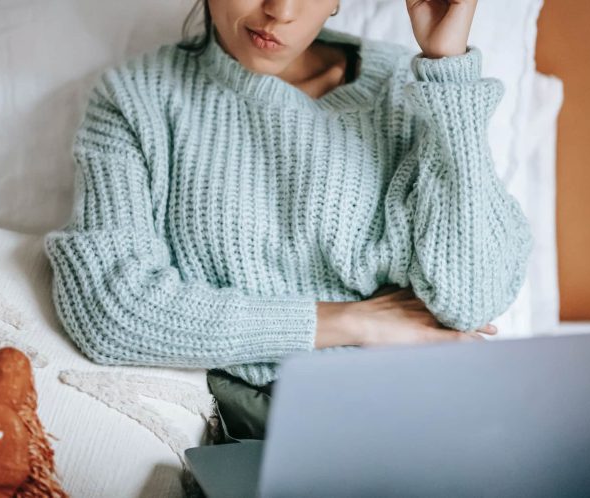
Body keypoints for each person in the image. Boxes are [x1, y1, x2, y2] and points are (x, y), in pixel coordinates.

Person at [45, 0, 532, 442]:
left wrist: (448, 70)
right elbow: (108, 309)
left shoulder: (410, 91)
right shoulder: (136, 99)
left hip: (433, 407)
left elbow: (472, 300)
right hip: (275, 423)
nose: (279, 10)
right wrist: (352, 322)